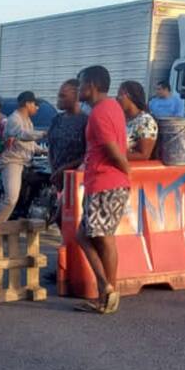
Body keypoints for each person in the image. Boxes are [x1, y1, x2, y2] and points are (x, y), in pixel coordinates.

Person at [74, 66, 131, 315]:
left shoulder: (99, 114)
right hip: (107, 181)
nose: (78, 90)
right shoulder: (113, 107)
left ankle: (106, 288)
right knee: (96, 236)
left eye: (80, 84)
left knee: (93, 236)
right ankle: (107, 292)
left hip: (104, 182)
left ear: (91, 85)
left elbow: (114, 151)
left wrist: (125, 172)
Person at [0, 91, 47, 223]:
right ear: (27, 104)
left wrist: (45, 151)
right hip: (13, 161)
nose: (36, 107)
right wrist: (43, 134)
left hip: (26, 162)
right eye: (34, 104)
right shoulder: (14, 119)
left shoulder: (28, 121)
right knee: (10, 199)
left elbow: (31, 145)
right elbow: (22, 135)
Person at [47, 79, 87, 189]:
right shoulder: (57, 119)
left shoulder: (86, 121)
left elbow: (89, 155)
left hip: (77, 182)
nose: (58, 100)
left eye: (62, 96)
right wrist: (53, 170)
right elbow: (51, 148)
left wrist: (64, 169)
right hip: (56, 179)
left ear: (76, 96)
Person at [117, 81, 158, 161]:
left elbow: (144, 155)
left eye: (120, 95)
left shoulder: (145, 121)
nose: (117, 98)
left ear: (130, 97)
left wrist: (113, 156)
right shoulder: (124, 119)